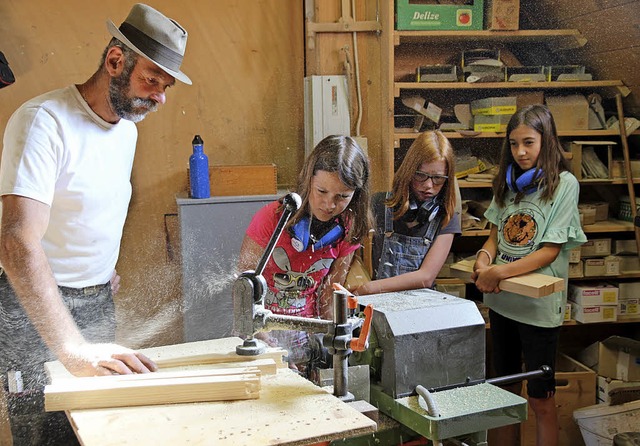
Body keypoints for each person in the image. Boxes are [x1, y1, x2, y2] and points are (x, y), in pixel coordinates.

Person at [0, 4, 191, 445]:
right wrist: (72, 349)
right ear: (114, 61)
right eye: (151, 80)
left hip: (97, 305)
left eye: (165, 87)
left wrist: (99, 267)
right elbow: (16, 243)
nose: (160, 97)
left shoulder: (127, 129)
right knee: (45, 439)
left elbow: (92, 206)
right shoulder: (43, 122)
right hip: (33, 312)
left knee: (97, 433)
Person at [471, 105, 587, 446]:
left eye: (529, 143)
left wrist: (496, 272)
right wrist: (482, 260)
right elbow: (495, 235)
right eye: (513, 143)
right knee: (504, 395)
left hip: (538, 310)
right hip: (504, 303)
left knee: (540, 399)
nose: (520, 152)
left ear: (546, 142)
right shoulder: (508, 184)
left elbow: (549, 250)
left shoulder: (564, 184)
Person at [237, 135, 373, 373]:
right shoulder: (271, 219)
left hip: (306, 334)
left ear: (356, 194)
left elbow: (330, 292)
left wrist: (332, 340)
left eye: (342, 197)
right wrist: (262, 341)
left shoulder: (348, 227)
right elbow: (243, 289)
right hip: (261, 332)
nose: (329, 204)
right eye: (322, 191)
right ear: (308, 179)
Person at [352, 130, 461, 295]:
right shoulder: (379, 205)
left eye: (438, 178)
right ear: (409, 171)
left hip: (420, 305)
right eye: (420, 175)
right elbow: (348, 246)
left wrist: (369, 288)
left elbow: (425, 277)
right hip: (381, 302)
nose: (428, 186)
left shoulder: (446, 216)